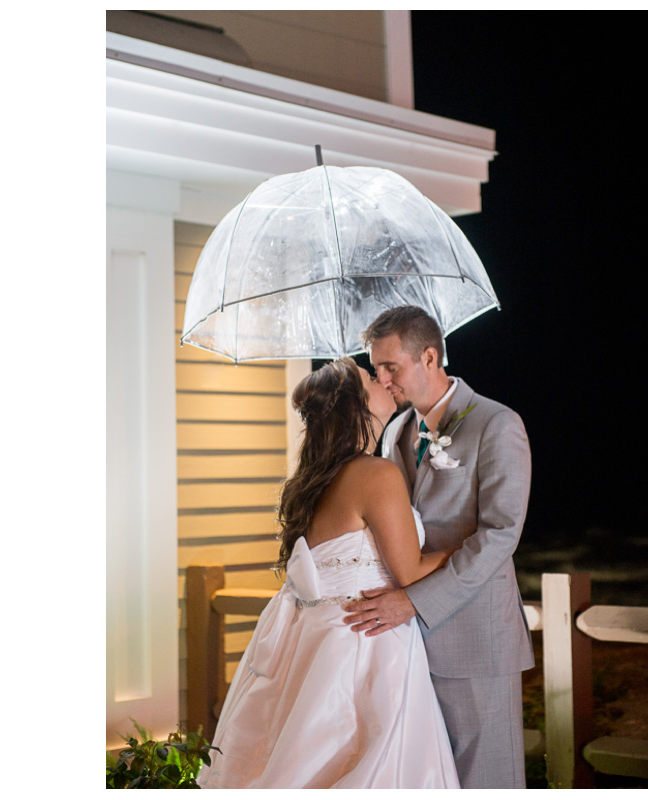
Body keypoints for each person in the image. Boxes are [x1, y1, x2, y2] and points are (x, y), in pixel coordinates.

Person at [197, 357, 461, 789]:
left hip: (315, 641)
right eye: (370, 378)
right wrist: (468, 547)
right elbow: (410, 572)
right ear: (356, 406)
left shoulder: (313, 480)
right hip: (368, 643)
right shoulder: (377, 474)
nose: (382, 379)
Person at [343, 306, 535, 789]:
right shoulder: (397, 432)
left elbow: (500, 535)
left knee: (485, 781)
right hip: (405, 646)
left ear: (429, 356)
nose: (382, 379)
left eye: (392, 367)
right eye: (376, 368)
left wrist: (413, 601)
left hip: (475, 638)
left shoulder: (498, 423)